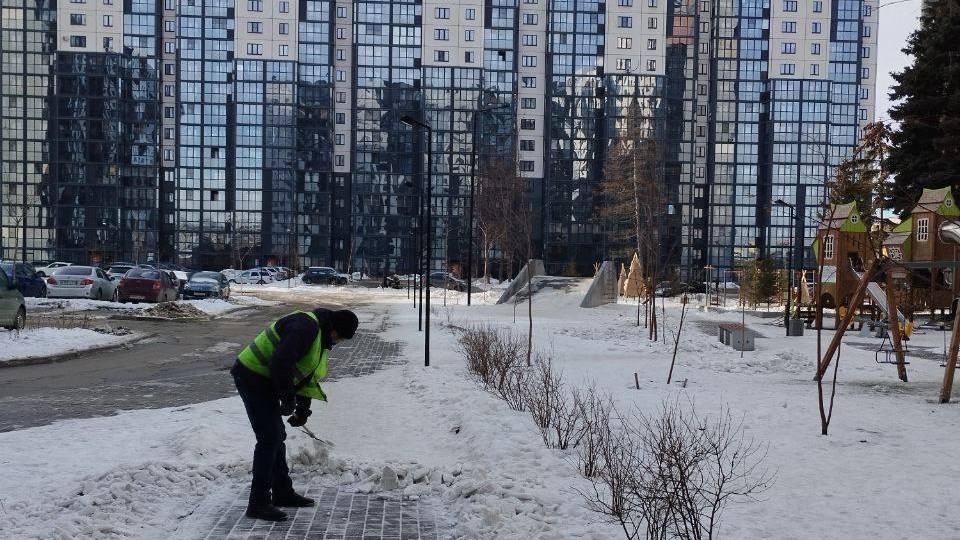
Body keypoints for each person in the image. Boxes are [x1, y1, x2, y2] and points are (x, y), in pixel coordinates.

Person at [231, 308, 359, 522]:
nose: (337, 342)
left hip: (265, 379)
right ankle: (258, 503)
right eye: (340, 337)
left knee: (276, 436)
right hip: (251, 375)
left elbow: (303, 376)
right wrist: (288, 398)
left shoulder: (319, 335)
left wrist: (302, 410)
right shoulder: (305, 328)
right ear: (334, 329)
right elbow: (280, 363)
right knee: (269, 438)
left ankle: (282, 492)